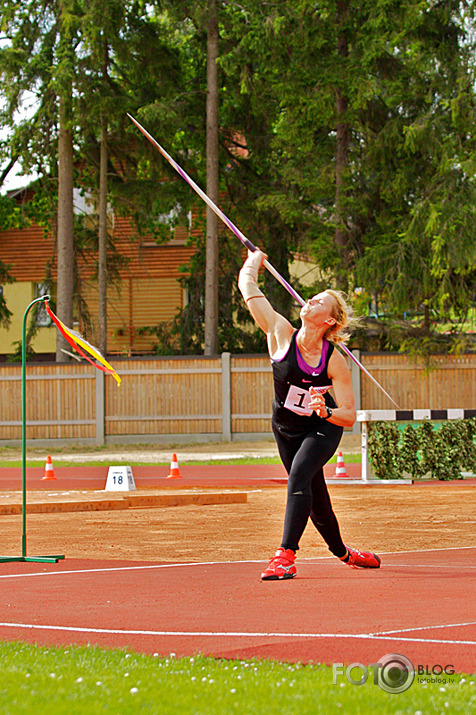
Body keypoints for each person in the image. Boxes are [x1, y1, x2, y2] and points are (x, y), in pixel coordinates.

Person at [238, 248, 381, 580]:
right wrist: (253, 262)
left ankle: (285, 555)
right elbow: (249, 290)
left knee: (299, 477)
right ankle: (344, 553)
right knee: (314, 494)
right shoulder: (279, 333)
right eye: (311, 298)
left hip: (320, 429)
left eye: (319, 302)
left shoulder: (333, 360)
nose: (310, 302)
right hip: (285, 429)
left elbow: (348, 415)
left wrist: (326, 410)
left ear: (329, 320)